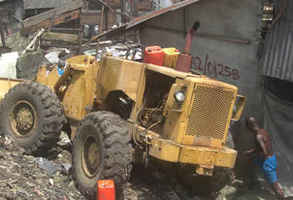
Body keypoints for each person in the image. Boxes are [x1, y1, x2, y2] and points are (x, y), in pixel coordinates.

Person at [244, 116, 285, 199]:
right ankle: (278, 195)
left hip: (268, 161)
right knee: (272, 181)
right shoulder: (263, 131)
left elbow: (264, 151)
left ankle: (281, 197)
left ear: (249, 126)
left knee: (274, 183)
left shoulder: (258, 136)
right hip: (272, 158)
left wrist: (252, 154)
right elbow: (262, 146)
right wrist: (251, 152)